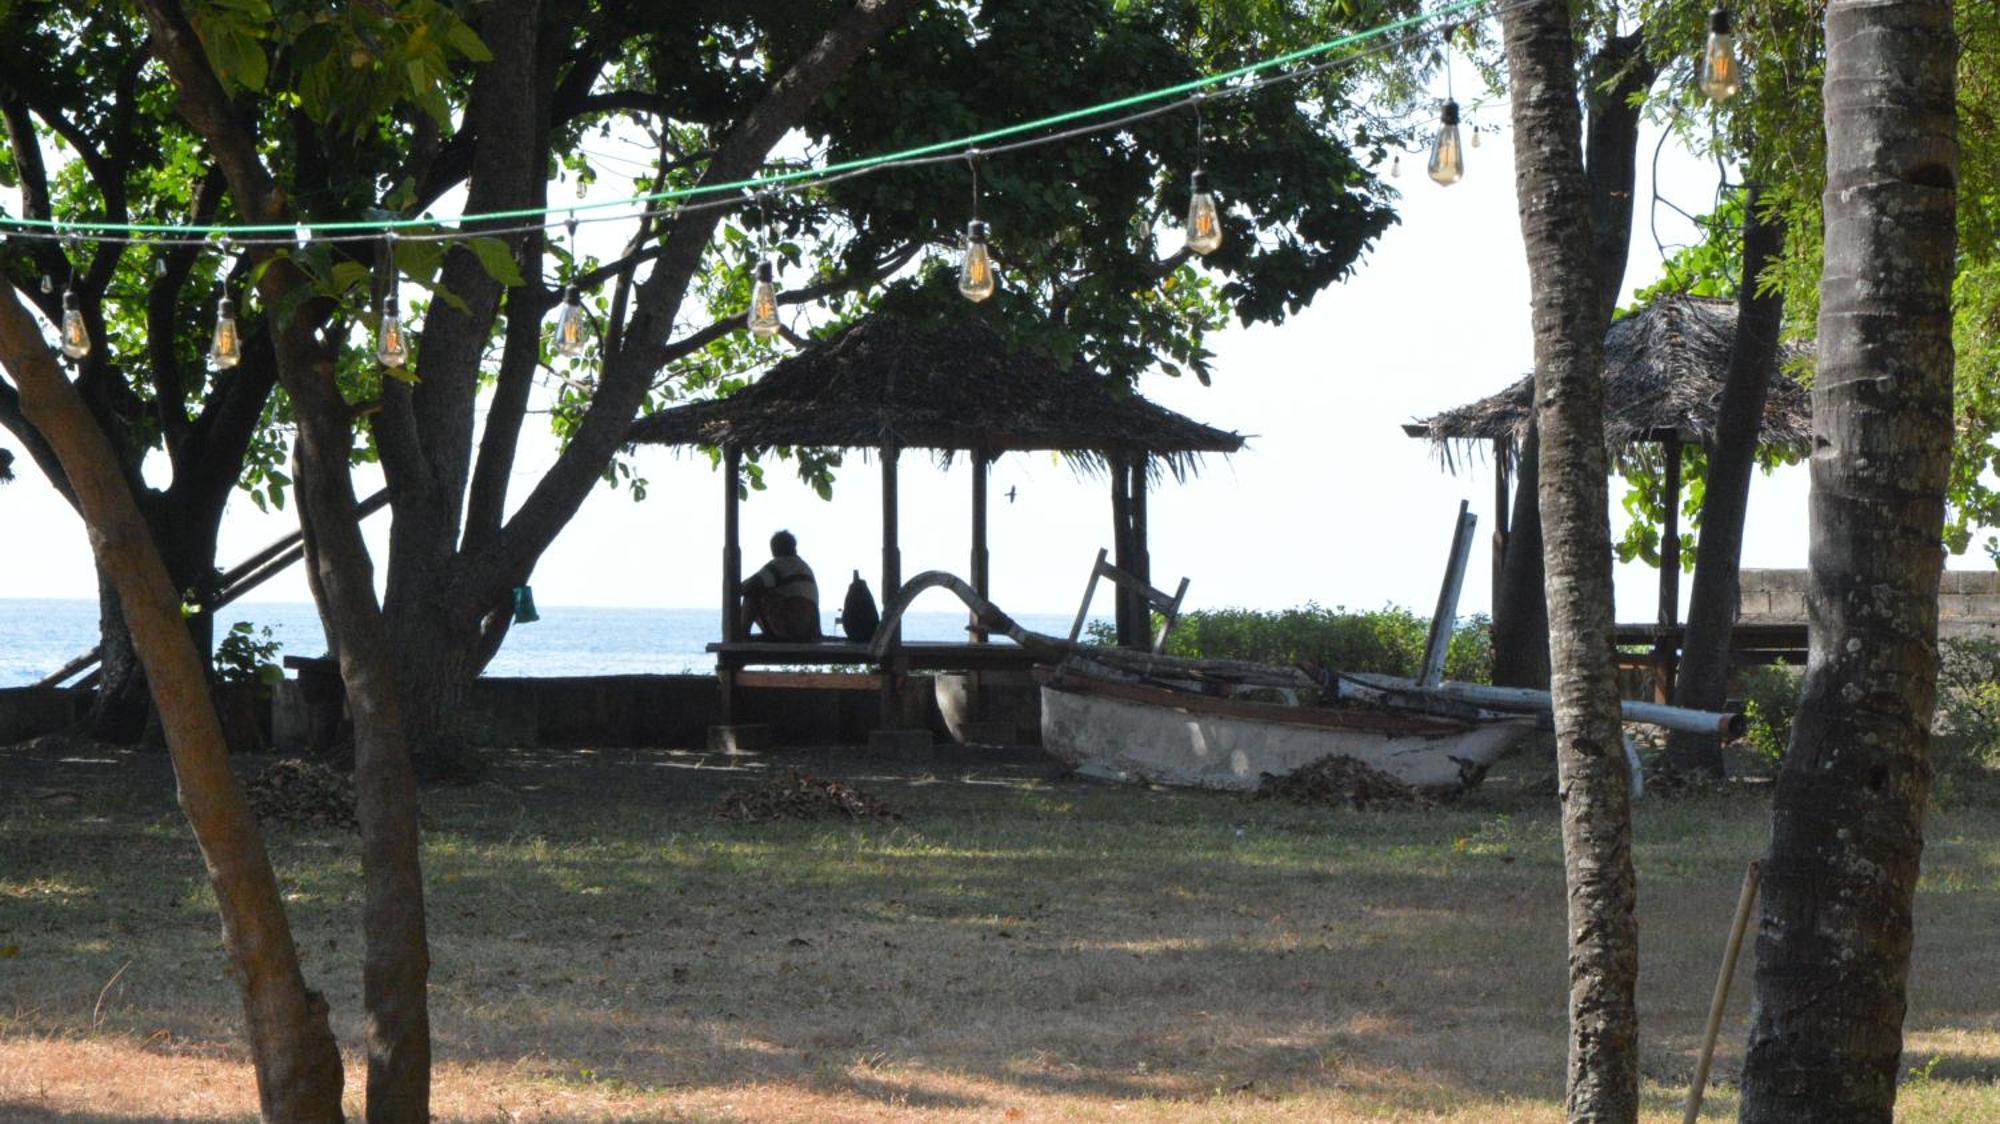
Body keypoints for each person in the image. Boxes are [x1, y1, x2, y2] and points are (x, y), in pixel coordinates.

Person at [742, 530, 822, 641]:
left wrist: (735, 588)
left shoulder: (780, 564)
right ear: (794, 548)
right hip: (807, 632)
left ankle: (742, 634)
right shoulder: (803, 566)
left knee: (753, 592)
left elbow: (750, 586)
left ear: (774, 549)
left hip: (790, 629)